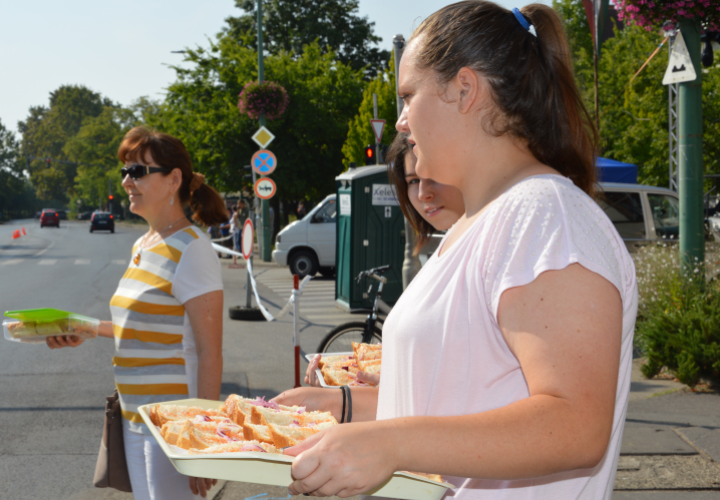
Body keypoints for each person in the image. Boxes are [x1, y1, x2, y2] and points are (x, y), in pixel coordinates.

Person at [273, 2, 637, 499]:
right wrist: (338, 406)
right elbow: (449, 398)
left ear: (464, 90)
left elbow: (573, 424)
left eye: (408, 95)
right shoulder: (483, 220)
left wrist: (390, 444)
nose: (401, 122)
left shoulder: (545, 215)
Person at [46, 126, 229, 500]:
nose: (128, 181)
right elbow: (145, 328)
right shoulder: (143, 244)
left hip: (173, 424)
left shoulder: (192, 249)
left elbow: (211, 353)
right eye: (126, 171)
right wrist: (81, 328)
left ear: (174, 179)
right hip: (133, 418)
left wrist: (203, 437)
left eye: (139, 171)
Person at [304, 133, 464, 387]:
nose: (423, 193)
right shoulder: (449, 243)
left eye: (434, 176)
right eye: (413, 180)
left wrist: (375, 394)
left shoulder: (493, 245)